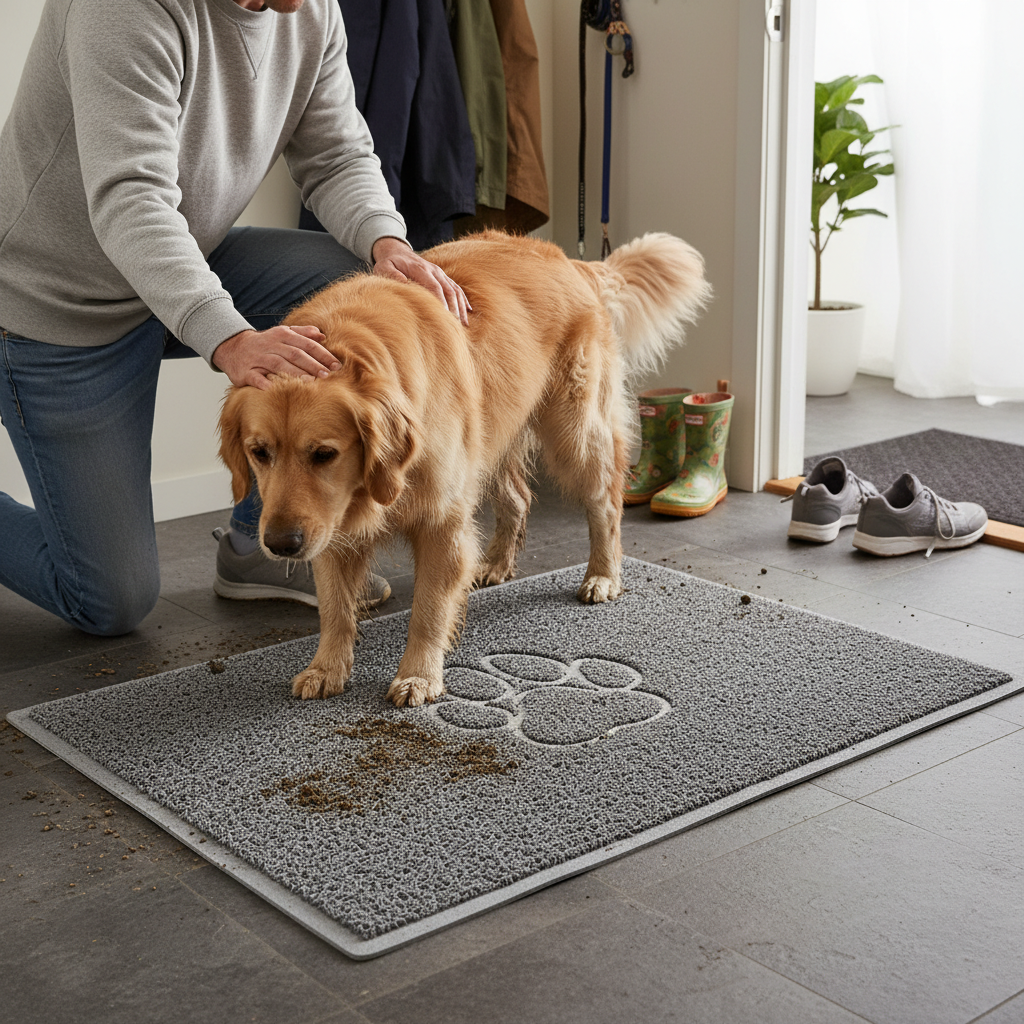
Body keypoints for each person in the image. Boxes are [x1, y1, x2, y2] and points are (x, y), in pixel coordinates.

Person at [0, 0, 469, 636]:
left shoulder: (309, 10)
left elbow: (336, 153)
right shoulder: (122, 9)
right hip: (56, 304)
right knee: (110, 600)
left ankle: (258, 548)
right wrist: (230, 338)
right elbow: (130, 200)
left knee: (361, 287)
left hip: (190, 256)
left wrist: (388, 244)